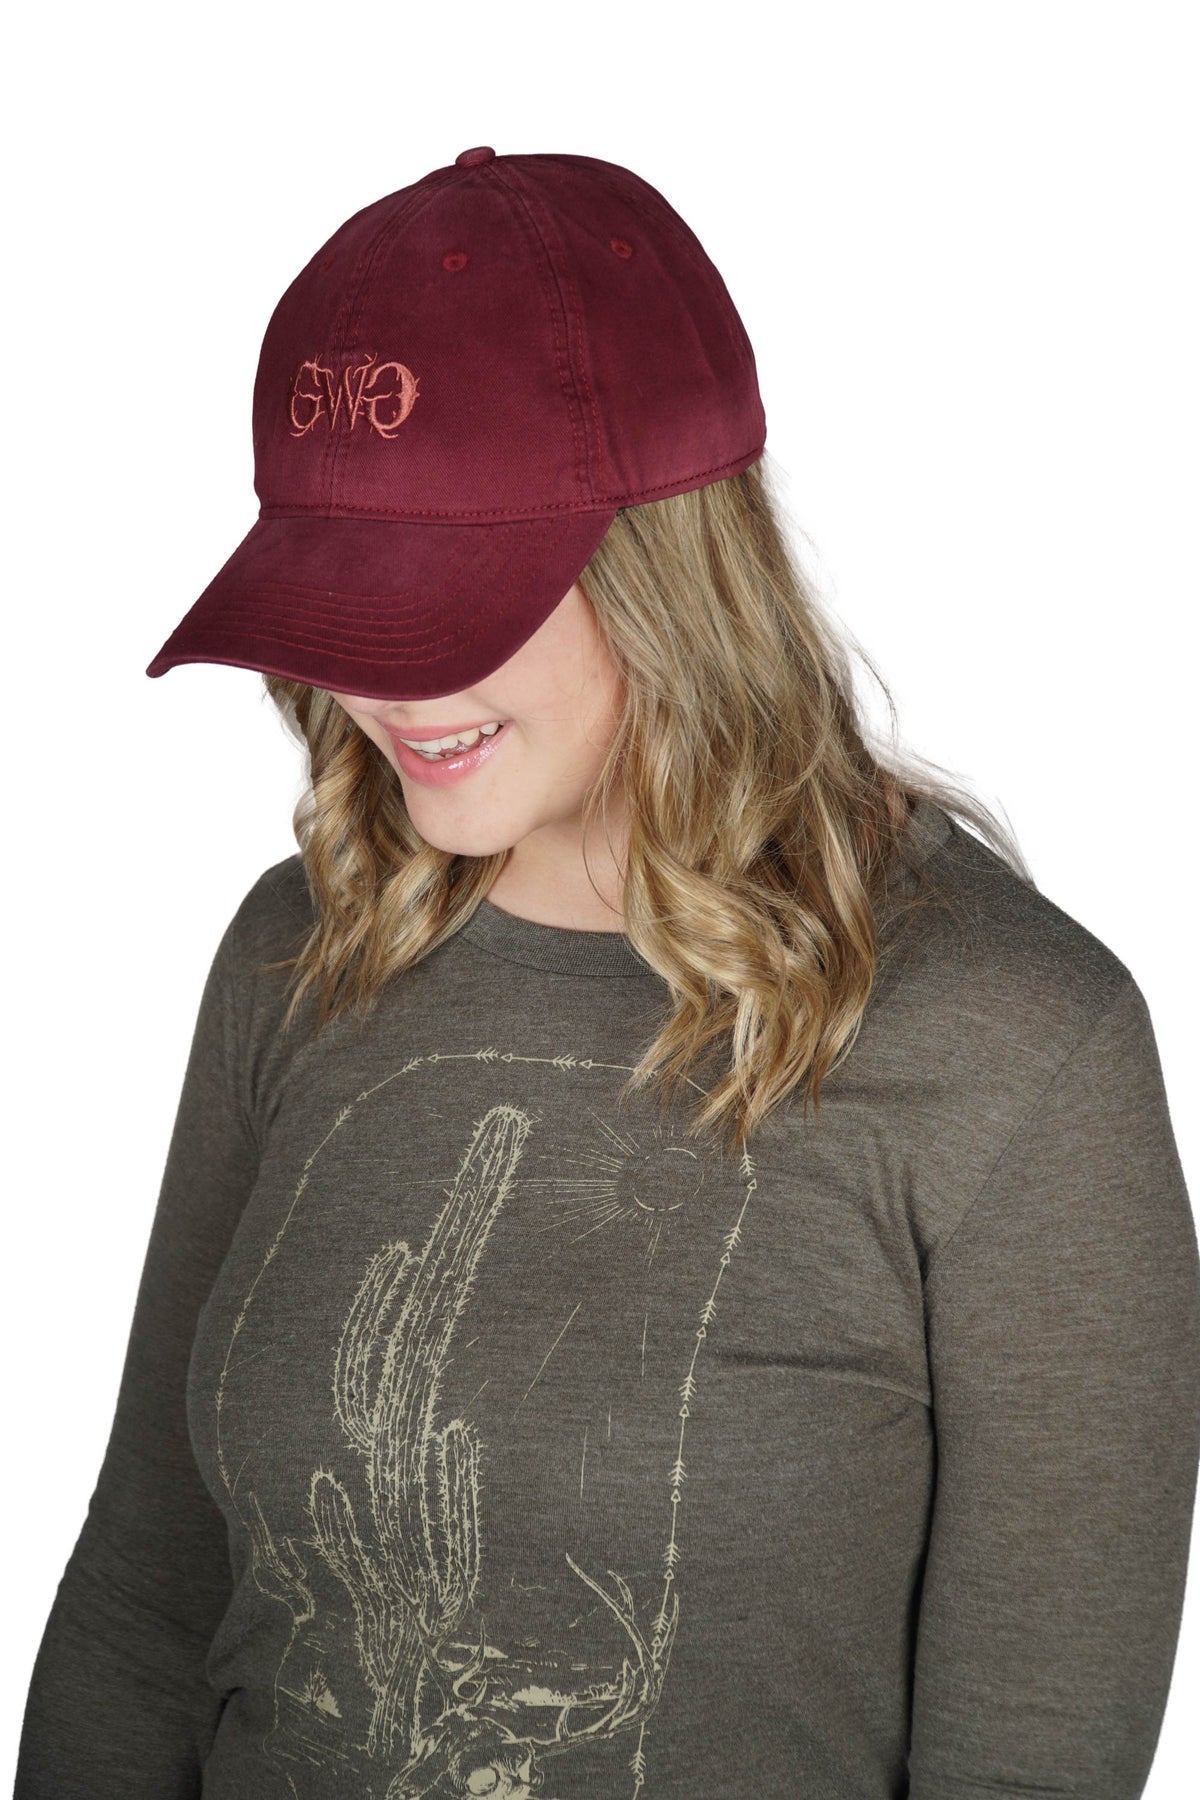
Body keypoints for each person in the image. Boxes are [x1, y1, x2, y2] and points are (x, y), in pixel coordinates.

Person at [14, 145, 1199, 1800]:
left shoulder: (1016, 1047)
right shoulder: (300, 952)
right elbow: (147, 1602)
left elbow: (1029, 1765)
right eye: (347, 596)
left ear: (670, 567)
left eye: (447, 599)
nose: (383, 686)